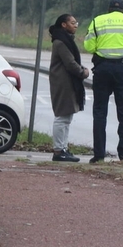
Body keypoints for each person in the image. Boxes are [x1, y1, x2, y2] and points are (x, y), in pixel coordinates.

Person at [82, 0, 123, 163]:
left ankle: (99, 155)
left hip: (102, 69)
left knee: (100, 112)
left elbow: (89, 46)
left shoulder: (98, 20)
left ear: (109, 9)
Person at [48, 14, 90, 162]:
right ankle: (58, 151)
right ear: (64, 25)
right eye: (72, 23)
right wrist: (82, 72)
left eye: (76, 22)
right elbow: (70, 63)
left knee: (67, 117)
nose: (76, 25)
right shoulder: (60, 42)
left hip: (67, 82)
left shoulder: (64, 39)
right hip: (63, 83)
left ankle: (63, 148)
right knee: (62, 117)